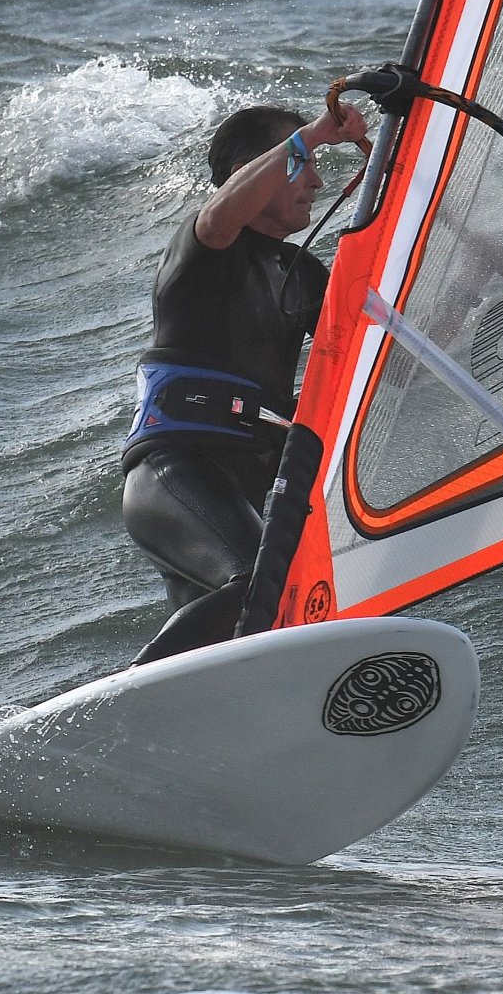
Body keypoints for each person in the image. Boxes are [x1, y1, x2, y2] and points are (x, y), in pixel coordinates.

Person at [120, 98, 370, 652]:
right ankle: (120, 712)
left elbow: (377, 355)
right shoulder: (205, 248)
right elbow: (220, 214)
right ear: (248, 174)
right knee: (258, 587)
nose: (316, 180)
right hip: (177, 471)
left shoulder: (300, 275)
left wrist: (465, 283)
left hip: (247, 484)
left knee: (233, 631)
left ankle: (178, 720)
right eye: (301, 165)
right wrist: (315, 133)